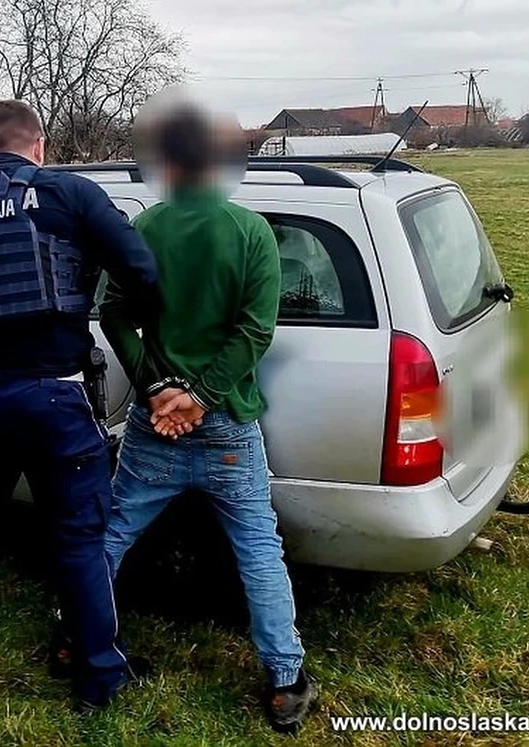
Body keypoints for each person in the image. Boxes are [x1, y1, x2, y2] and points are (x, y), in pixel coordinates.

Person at [0, 99, 160, 712]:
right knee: (78, 540)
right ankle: (98, 679)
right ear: (38, 146)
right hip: (57, 395)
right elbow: (142, 270)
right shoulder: (71, 194)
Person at [98, 100, 318, 734]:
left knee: (113, 535)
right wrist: (201, 395)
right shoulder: (251, 233)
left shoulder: (144, 231)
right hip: (226, 426)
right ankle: (284, 681)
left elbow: (114, 313)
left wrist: (160, 387)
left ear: (166, 162)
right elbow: (256, 331)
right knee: (257, 550)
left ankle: (73, 638)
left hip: (153, 424)